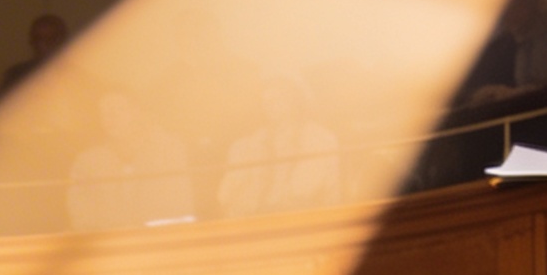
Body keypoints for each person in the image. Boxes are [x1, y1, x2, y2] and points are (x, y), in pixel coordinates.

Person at [66, 90, 195, 231]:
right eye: (104, 112)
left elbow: (181, 203)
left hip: (160, 241)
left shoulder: (169, 150)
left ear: (136, 112)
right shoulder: (88, 161)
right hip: (110, 245)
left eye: (118, 109)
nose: (111, 117)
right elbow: (80, 212)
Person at [215, 78, 343, 218]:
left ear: (295, 101)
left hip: (305, 222)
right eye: (265, 101)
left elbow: (303, 190)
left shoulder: (319, 138)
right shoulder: (247, 145)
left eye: (277, 99)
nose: (269, 106)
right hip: (254, 224)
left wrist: (272, 209)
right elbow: (226, 194)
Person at [458, 0, 547, 106]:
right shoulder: (503, 43)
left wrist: (510, 94)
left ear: (533, 6)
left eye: (517, 5)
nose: (508, 12)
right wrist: (481, 93)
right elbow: (472, 85)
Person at [0, 12, 69, 93]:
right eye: (38, 38)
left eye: (51, 39)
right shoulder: (15, 75)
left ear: (63, 40)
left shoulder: (79, 74)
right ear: (31, 41)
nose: (43, 44)